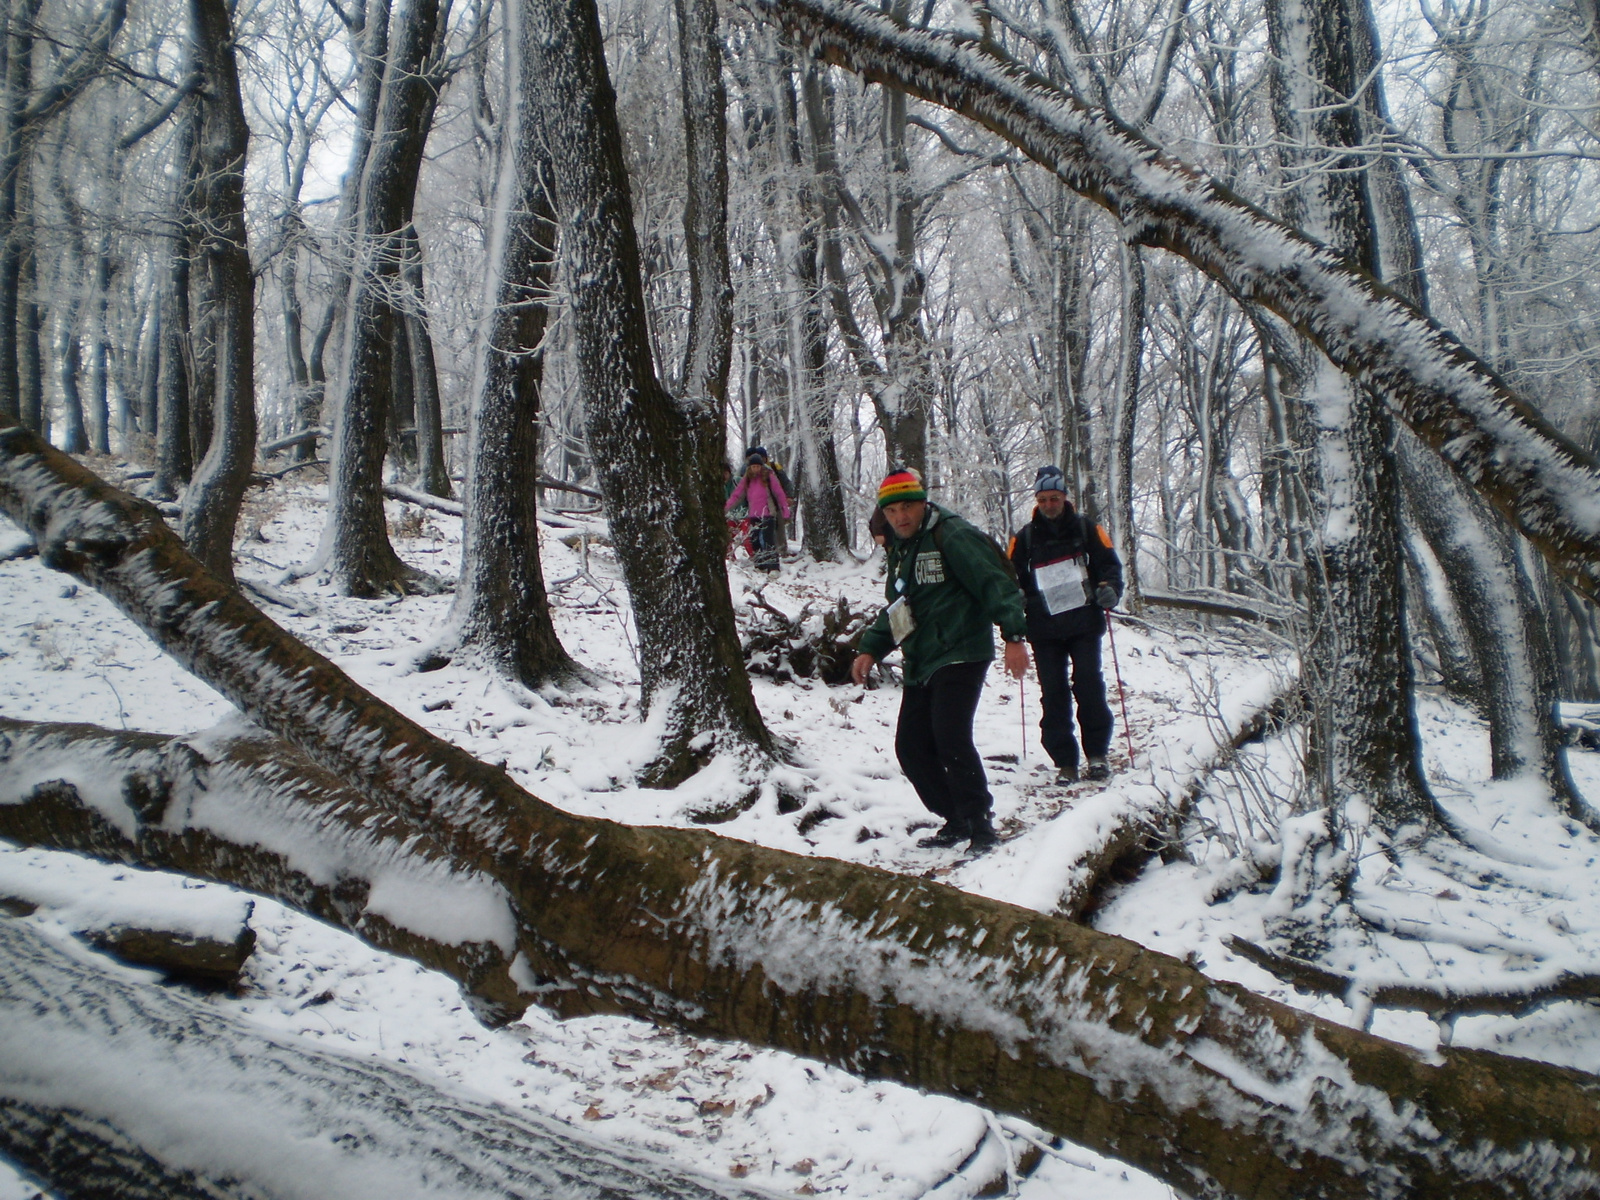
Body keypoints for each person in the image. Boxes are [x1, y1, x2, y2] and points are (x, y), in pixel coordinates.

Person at [851, 468, 1029, 851]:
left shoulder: (954, 535)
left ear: (923, 503)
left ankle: (981, 824)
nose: (901, 516)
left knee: (950, 737)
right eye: (893, 510)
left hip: (962, 651)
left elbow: (995, 583)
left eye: (908, 507)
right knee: (911, 747)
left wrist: (1013, 635)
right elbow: (899, 608)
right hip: (921, 659)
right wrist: (871, 647)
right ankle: (957, 818)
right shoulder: (900, 549)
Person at [1007, 465, 1124, 784]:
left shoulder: (1088, 529)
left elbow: (1110, 567)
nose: (1048, 505)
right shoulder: (1024, 538)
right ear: (1036, 500)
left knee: (1089, 685)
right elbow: (1007, 577)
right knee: (1053, 693)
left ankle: (1097, 754)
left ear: (1064, 497)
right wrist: (1014, 597)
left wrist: (1110, 590)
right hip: (1044, 630)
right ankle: (1065, 762)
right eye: (1043, 499)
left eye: (1054, 498)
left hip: (1084, 623)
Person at [725, 449, 791, 572]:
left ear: (761, 466)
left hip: (768, 513)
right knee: (754, 540)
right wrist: (725, 508)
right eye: (753, 467)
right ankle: (760, 565)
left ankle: (773, 567)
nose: (755, 469)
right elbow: (737, 495)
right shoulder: (747, 479)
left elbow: (779, 493)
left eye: (757, 466)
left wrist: (785, 510)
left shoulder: (769, 476)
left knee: (768, 540)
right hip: (753, 514)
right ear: (749, 467)